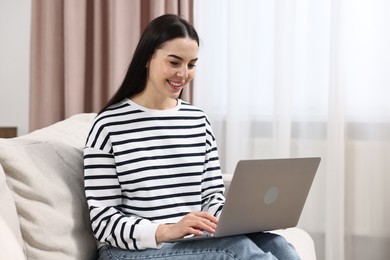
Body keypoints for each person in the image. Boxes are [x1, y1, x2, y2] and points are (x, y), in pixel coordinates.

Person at [84, 14, 301, 260]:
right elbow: (103, 221)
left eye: (191, 64)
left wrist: (236, 219)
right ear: (147, 58)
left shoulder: (197, 120)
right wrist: (166, 230)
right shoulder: (109, 125)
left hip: (189, 243)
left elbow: (211, 197)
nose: (183, 74)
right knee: (237, 251)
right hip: (130, 251)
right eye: (174, 62)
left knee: (279, 246)